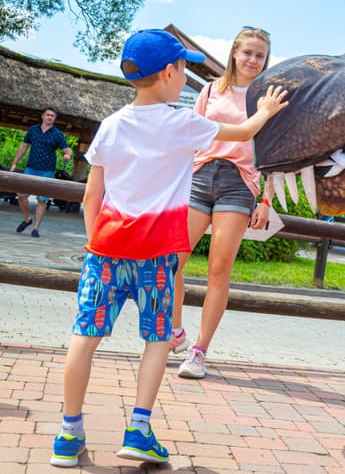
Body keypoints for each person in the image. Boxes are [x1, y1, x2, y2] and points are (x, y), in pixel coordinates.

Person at [49, 28, 288, 468]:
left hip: (105, 252)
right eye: (183, 69)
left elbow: (90, 198)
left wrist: (94, 244)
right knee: (158, 340)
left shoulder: (110, 125)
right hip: (156, 255)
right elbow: (242, 131)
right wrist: (267, 110)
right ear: (169, 72)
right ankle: (138, 429)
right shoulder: (183, 123)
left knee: (84, 338)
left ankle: (68, 434)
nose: (186, 77)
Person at [170, 26, 279, 379]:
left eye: (260, 55)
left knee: (219, 269)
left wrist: (266, 199)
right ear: (234, 53)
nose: (253, 60)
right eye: (247, 52)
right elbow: (190, 137)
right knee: (172, 261)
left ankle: (199, 352)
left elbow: (275, 153)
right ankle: (176, 331)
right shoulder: (210, 90)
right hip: (200, 177)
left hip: (239, 183)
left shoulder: (267, 99)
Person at [10, 107, 73, 238]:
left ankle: (36, 228)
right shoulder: (33, 130)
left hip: (47, 171)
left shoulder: (57, 134)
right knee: (21, 194)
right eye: (48, 115)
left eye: (52, 116)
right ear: (42, 116)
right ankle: (27, 219)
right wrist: (14, 163)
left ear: (54, 119)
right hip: (31, 168)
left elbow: (68, 150)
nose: (50, 117)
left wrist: (67, 155)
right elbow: (24, 147)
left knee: (42, 200)